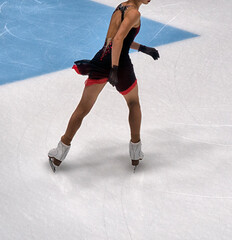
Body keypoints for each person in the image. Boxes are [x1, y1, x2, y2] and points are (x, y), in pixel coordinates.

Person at [48, 0, 159, 172]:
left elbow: (118, 39)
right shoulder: (134, 14)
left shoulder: (121, 7)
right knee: (133, 103)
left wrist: (143, 48)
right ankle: (135, 153)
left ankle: (59, 154)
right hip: (119, 64)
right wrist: (114, 69)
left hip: (101, 59)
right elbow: (118, 39)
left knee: (82, 108)